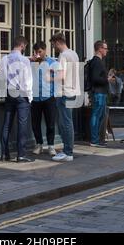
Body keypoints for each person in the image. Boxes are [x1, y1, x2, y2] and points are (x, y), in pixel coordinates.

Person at [0, 36, 34, 163]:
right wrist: (29, 97)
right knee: (22, 125)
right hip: (21, 94)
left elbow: (2, 77)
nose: (25, 48)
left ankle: (4, 154)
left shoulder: (4, 59)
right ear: (22, 46)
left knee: (7, 124)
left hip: (9, 92)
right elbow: (28, 80)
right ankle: (21, 155)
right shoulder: (24, 60)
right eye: (25, 46)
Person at [50, 32, 80, 162]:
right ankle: (68, 150)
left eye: (53, 44)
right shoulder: (74, 54)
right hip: (73, 92)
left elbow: (61, 76)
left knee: (65, 123)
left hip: (64, 93)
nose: (53, 47)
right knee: (68, 122)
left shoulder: (63, 55)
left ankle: (68, 152)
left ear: (57, 42)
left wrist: (49, 77)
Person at [30, 42, 57, 156]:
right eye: (36, 52)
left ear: (45, 50)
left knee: (50, 123)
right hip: (35, 98)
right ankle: (39, 144)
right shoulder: (31, 63)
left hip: (49, 97)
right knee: (35, 123)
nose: (38, 54)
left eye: (40, 52)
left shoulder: (52, 62)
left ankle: (51, 146)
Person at [89, 41, 109, 147]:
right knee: (96, 116)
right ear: (100, 49)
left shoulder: (98, 61)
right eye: (105, 48)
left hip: (100, 92)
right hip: (98, 93)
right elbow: (95, 78)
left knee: (98, 116)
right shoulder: (97, 61)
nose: (106, 51)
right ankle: (94, 140)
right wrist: (107, 79)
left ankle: (96, 139)